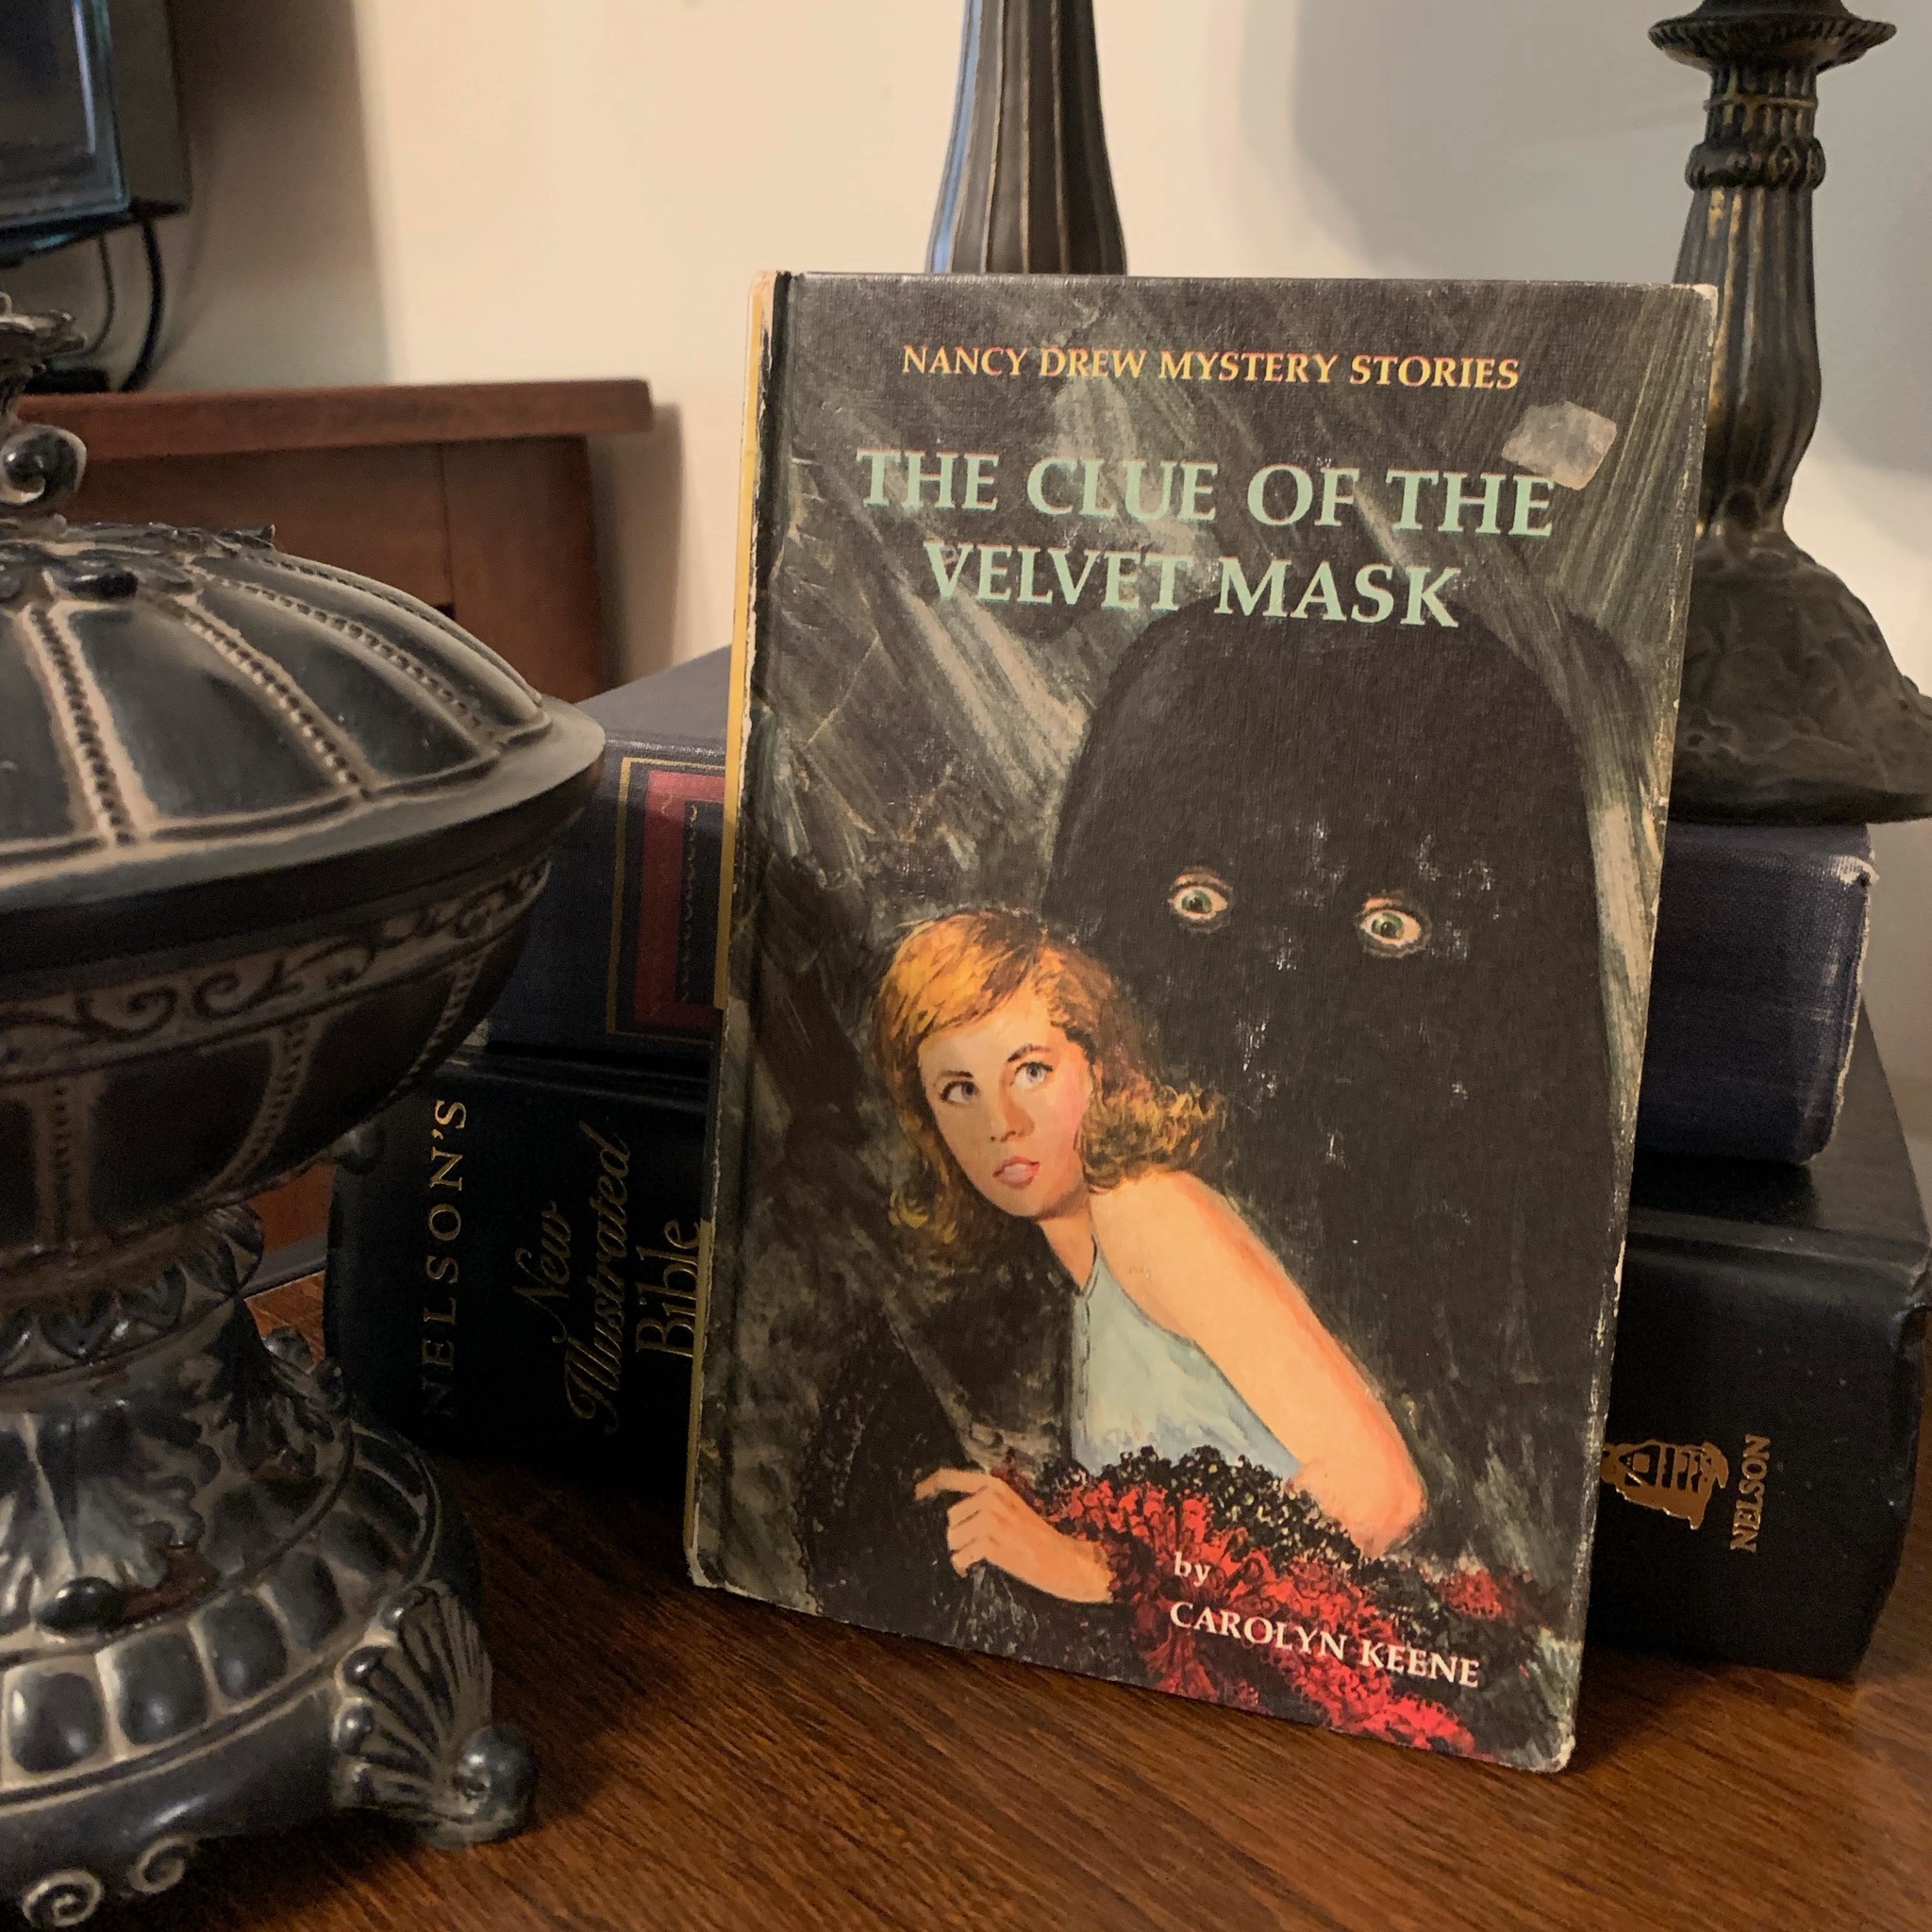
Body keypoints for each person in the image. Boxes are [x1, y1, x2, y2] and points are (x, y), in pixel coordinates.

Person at [873, 908, 1424, 1605]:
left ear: (1098, 1069)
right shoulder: (1088, 1280)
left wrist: (1099, 1573)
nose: (1000, 1124)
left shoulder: (1146, 1211)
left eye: (1031, 1071)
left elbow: (1381, 1493)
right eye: (960, 1091)